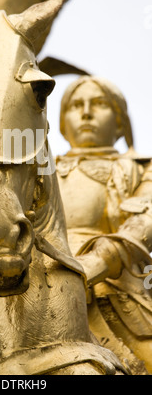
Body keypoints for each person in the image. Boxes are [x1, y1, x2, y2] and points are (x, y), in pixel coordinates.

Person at [56, 75, 152, 374]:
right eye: (75, 105)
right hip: (40, 290)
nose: (86, 112)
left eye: (99, 104)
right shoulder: (37, 170)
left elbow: (145, 219)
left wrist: (100, 260)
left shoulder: (142, 170)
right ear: (62, 122)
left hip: (118, 292)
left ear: (121, 122)